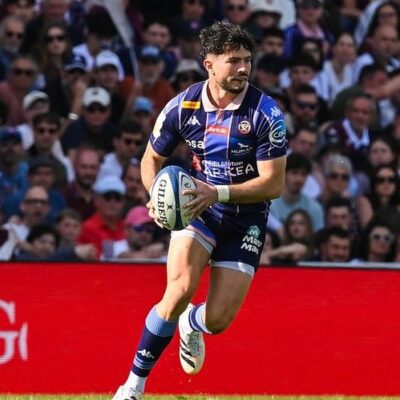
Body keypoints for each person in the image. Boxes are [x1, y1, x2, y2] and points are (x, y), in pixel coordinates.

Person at [112, 21, 287, 400]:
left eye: (247, 60)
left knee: (219, 320)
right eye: (233, 61)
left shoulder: (265, 113)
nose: (243, 68)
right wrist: (156, 196)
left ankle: (192, 322)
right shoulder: (183, 106)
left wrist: (218, 192)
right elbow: (151, 159)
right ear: (209, 64)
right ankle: (133, 386)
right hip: (197, 210)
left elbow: (273, 184)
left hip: (246, 218)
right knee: (177, 291)